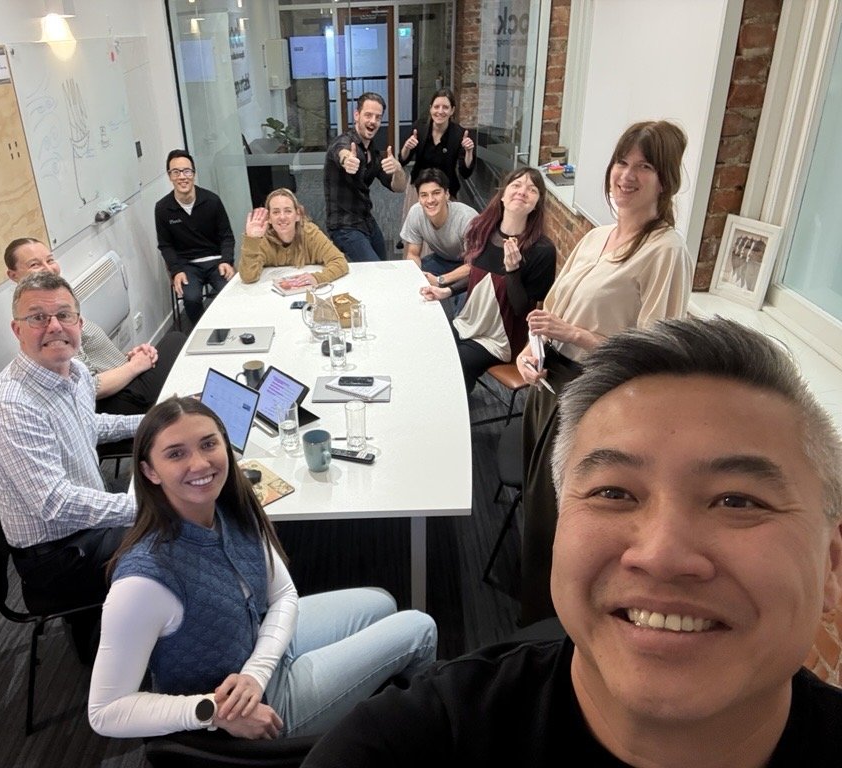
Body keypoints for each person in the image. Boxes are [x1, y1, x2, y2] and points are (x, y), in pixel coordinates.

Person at [302, 317, 842, 766]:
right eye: (614, 492)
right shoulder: (411, 741)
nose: (661, 555)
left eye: (737, 502)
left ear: (832, 567)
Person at [87, 396, 438, 740]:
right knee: (420, 627)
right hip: (250, 707)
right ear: (150, 471)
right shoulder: (144, 580)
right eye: (176, 454)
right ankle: (419, 738)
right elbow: (105, 712)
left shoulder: (229, 509)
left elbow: (282, 594)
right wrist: (212, 711)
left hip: (258, 652)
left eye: (208, 444)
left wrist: (256, 670)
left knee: (382, 601)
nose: (200, 463)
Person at [514, 120, 695, 625]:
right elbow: (550, 309)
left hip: (596, 400)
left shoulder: (666, 251)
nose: (627, 175)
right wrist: (530, 350)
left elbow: (658, 356)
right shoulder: (596, 236)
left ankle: (561, 629)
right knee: (539, 510)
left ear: (665, 180)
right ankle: (536, 616)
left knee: (567, 523)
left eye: (645, 166)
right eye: (622, 162)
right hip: (548, 385)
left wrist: (573, 334)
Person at [0, 272, 142, 658]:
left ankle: (112, 627)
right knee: (175, 536)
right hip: (57, 555)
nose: (54, 326)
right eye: (38, 317)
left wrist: (157, 420)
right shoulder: (10, 406)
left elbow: (92, 426)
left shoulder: (75, 371)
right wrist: (144, 508)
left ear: (79, 323)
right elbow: (55, 503)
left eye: (64, 315)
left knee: (167, 496)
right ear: (17, 330)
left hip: (84, 519)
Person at [4, 237, 186, 415]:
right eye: (35, 265)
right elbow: (86, 386)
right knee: (175, 341)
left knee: (173, 346)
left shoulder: (65, 306)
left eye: (50, 260)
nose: (48, 268)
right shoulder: (44, 331)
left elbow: (92, 361)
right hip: (114, 397)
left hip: (123, 377)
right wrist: (135, 366)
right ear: (13, 275)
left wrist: (130, 357)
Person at [420, 168, 556, 394]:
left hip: (502, 338)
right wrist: (447, 291)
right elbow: (479, 275)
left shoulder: (542, 250)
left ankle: (455, 407)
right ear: (503, 195)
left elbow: (522, 309)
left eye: (532, 189)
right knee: (431, 344)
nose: (522, 191)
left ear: (536, 204)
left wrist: (512, 270)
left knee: (455, 362)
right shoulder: (483, 230)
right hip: (470, 321)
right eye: (516, 185)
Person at [324, 92, 407, 263]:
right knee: (373, 270)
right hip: (343, 225)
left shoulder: (374, 153)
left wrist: (398, 169)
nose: (373, 121)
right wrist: (347, 160)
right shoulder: (344, 142)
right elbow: (341, 151)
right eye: (368, 115)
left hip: (365, 220)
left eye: (378, 117)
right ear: (357, 115)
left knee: (383, 265)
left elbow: (398, 187)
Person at [155, 149, 236, 325]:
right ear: (169, 176)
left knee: (229, 292)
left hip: (216, 261)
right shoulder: (162, 208)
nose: (182, 177)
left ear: (194, 173)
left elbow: (227, 236)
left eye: (187, 171)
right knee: (191, 298)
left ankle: (229, 327)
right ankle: (201, 330)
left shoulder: (212, 201)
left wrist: (226, 260)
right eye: (176, 172)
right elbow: (165, 245)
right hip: (187, 265)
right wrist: (176, 271)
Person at [238, 188, 349, 287]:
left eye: (288, 211)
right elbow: (248, 277)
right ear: (269, 218)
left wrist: (318, 278)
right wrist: (251, 240)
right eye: (276, 212)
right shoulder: (261, 238)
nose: (282, 217)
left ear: (298, 215)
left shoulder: (310, 233)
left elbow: (340, 262)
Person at [399, 169, 479, 288]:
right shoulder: (416, 212)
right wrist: (417, 275)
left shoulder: (467, 218)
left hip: (469, 265)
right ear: (419, 198)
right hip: (441, 259)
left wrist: (440, 280)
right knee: (409, 284)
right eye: (424, 195)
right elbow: (413, 253)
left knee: (461, 297)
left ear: (447, 194)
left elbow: (474, 264)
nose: (430, 200)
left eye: (436, 193)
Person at [398, 88, 476, 201]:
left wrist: (469, 152)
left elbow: (465, 172)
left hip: (446, 190)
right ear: (430, 108)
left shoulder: (460, 134)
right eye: (436, 107)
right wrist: (407, 147)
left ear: (452, 110)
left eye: (445, 107)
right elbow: (402, 160)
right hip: (420, 187)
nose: (440, 111)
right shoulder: (419, 127)